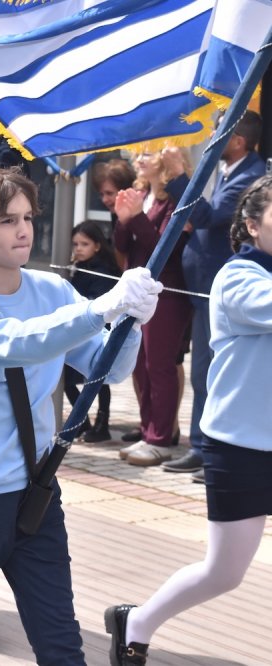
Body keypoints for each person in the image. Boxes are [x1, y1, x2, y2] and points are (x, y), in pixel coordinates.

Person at [0, 164, 160, 664]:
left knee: (60, 641)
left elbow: (104, 369)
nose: (23, 229)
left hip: (36, 493)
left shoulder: (51, 290)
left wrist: (131, 323)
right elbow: (22, 343)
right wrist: (101, 308)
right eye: (6, 220)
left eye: (27, 217)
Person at [104, 174, 272, 666]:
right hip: (241, 445)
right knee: (224, 572)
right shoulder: (239, 278)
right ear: (251, 224)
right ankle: (136, 622)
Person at [164, 110, 265, 476]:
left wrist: (179, 177)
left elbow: (208, 217)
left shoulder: (251, 177)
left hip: (220, 290)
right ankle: (201, 445)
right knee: (203, 370)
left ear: (238, 140)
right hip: (202, 286)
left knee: (213, 371)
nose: (213, 134)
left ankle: (213, 450)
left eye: (221, 128)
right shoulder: (231, 171)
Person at [114, 148, 192, 466]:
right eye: (139, 154)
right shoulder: (143, 195)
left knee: (159, 366)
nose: (141, 158)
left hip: (168, 293)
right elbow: (123, 244)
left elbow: (163, 249)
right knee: (140, 363)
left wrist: (135, 218)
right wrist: (124, 220)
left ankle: (160, 438)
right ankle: (149, 431)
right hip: (140, 291)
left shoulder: (174, 200)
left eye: (149, 153)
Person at [65, 220, 122, 442]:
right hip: (79, 329)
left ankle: (101, 424)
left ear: (97, 246)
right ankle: (82, 422)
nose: (78, 248)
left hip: (98, 331)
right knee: (68, 378)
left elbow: (99, 302)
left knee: (98, 378)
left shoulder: (103, 271)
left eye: (84, 244)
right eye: (75, 244)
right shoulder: (80, 267)